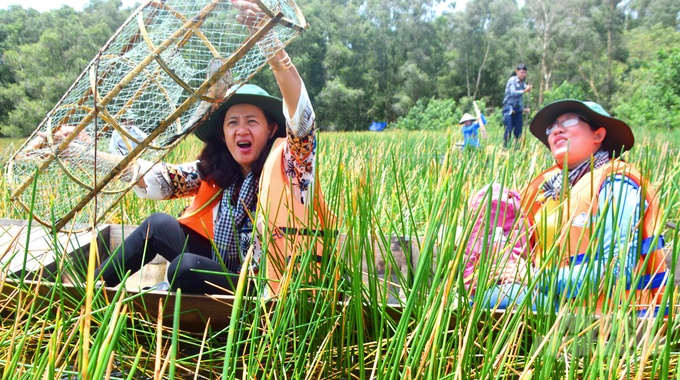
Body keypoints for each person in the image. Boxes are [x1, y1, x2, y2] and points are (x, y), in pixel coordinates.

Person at [93, 0, 330, 295]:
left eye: (252, 121)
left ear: (270, 129)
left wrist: (269, 43)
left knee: (185, 267)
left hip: (267, 285)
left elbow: (302, 117)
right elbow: (155, 178)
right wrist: (76, 155)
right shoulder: (217, 171)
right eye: (232, 123)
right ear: (222, 134)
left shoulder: (293, 165)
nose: (241, 130)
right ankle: (92, 292)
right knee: (157, 225)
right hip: (225, 269)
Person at [517, 99, 667, 313]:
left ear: (598, 135)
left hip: (606, 314)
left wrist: (536, 280)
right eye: (551, 127)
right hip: (557, 301)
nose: (556, 130)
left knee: (492, 297)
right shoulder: (550, 187)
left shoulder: (617, 184)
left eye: (568, 121)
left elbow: (618, 268)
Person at [502, 64, 532, 147]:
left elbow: (519, 99)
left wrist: (523, 109)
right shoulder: (512, 80)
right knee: (508, 130)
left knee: (519, 132)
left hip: (518, 109)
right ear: (517, 72)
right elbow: (513, 93)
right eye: (522, 72)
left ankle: (517, 150)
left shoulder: (523, 83)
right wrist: (525, 90)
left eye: (525, 73)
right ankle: (506, 149)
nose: (523, 74)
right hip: (509, 108)